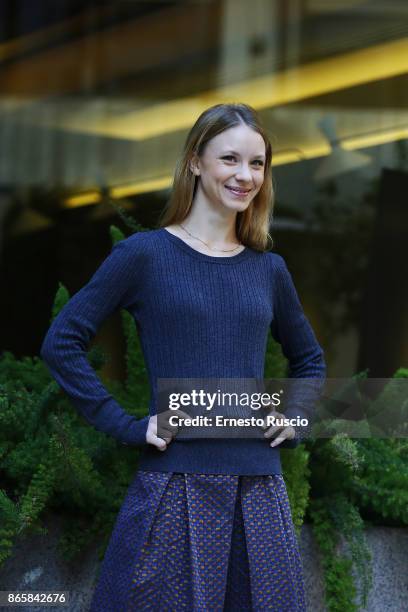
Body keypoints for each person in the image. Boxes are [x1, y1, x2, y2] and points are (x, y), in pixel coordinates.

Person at [40, 102, 326, 611]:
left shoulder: (269, 269)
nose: (245, 176)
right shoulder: (144, 255)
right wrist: (128, 425)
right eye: (230, 159)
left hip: (258, 492)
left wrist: (296, 416)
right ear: (195, 161)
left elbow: (310, 361)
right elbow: (62, 343)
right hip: (176, 486)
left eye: (257, 163)